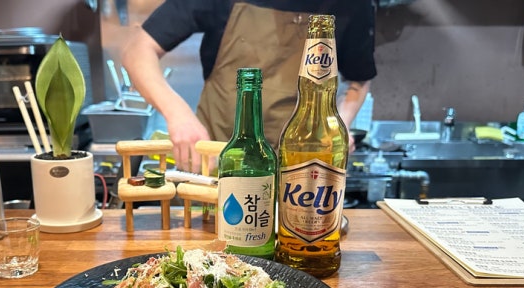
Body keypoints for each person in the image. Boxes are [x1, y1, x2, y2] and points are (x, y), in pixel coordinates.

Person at [122, 0, 377, 172]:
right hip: (216, 169)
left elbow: (359, 80)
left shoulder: (352, 5)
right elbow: (137, 51)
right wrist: (179, 116)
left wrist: (338, 126)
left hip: (298, 176)